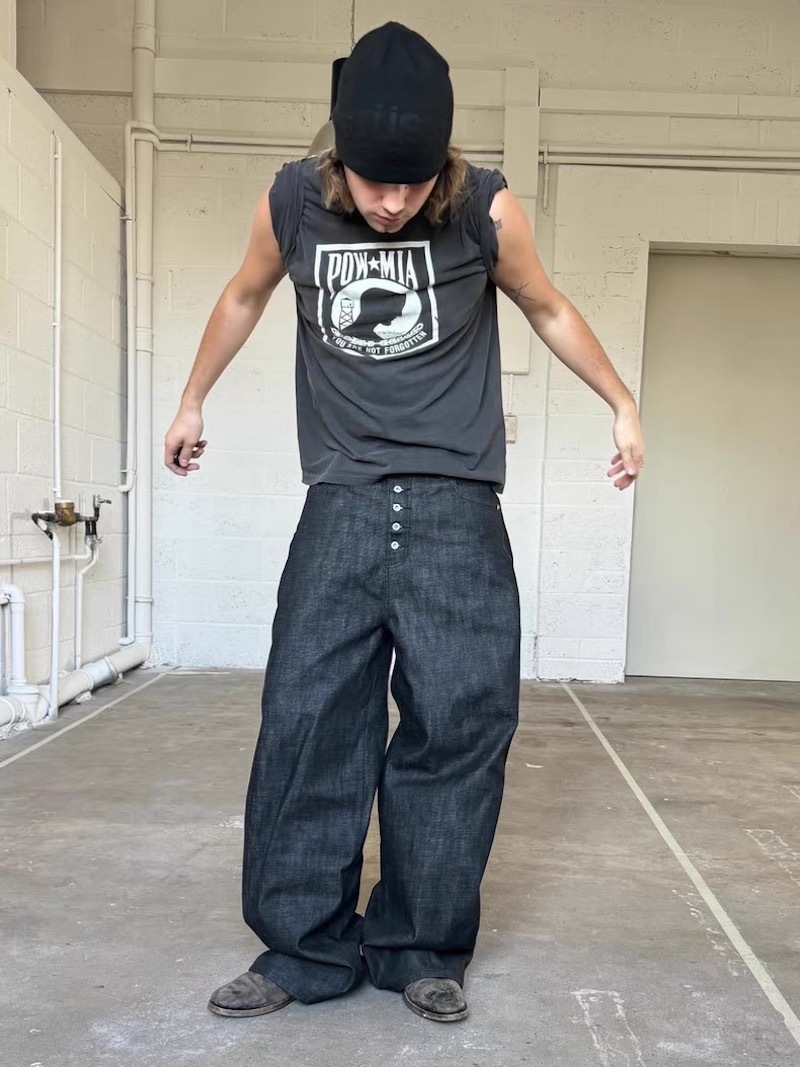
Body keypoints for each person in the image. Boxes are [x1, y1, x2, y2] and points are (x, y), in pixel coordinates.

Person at [164, 22, 644, 1024]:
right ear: (339, 156)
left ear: (442, 161)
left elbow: (548, 307)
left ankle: (419, 945)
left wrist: (621, 401)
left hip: (456, 506)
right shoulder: (290, 202)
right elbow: (244, 293)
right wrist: (192, 398)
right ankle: (302, 948)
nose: (392, 202)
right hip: (340, 501)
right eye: (374, 182)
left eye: (412, 183)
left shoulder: (485, 207)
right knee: (308, 722)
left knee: (458, 727)